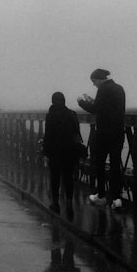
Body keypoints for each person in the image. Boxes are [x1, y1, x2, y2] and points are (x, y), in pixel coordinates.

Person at [77, 68, 126, 209]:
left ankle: (101, 196)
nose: (93, 84)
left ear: (99, 79)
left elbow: (95, 110)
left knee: (100, 164)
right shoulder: (119, 89)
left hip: (104, 133)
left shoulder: (103, 89)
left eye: (93, 81)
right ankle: (117, 199)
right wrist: (93, 101)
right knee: (115, 165)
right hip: (118, 132)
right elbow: (107, 107)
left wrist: (81, 102)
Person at [42, 91, 82, 219]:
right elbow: (76, 133)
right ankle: (69, 204)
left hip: (54, 152)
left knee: (55, 178)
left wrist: (45, 153)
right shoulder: (72, 114)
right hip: (69, 151)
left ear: (53, 101)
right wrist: (78, 152)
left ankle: (55, 203)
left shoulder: (50, 116)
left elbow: (47, 136)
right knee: (68, 178)